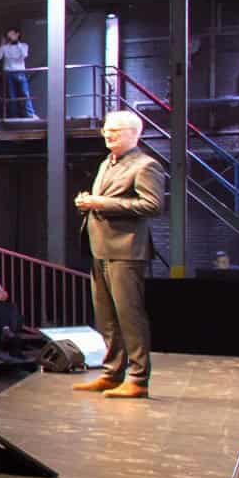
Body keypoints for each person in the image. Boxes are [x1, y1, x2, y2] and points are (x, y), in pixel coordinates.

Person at [74, 109, 164, 398]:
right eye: (106, 130)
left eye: (115, 131)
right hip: (100, 248)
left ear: (134, 134)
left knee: (129, 316)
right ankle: (112, 373)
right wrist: (87, 202)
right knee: (106, 317)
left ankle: (137, 379)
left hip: (126, 250)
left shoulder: (146, 165)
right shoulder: (106, 164)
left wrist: (102, 203)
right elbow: (107, 201)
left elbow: (152, 205)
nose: (107, 135)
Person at [0, 28, 35, 120]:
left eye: (13, 34)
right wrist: (2, 44)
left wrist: (17, 43)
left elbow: (24, 54)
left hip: (20, 72)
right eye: (9, 35)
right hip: (8, 73)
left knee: (24, 93)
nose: (11, 36)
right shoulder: (5, 47)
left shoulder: (24, 45)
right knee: (11, 94)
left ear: (17, 34)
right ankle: (13, 115)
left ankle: (29, 113)